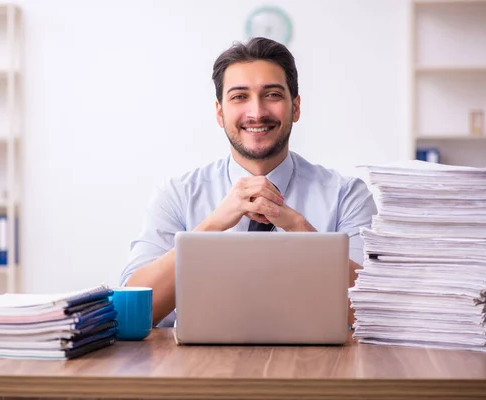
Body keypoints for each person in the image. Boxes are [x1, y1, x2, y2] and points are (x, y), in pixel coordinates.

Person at [120, 37, 377, 328]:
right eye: (240, 97)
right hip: (196, 369)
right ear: (220, 113)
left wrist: (299, 229)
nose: (256, 112)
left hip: (316, 367)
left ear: (296, 107)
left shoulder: (347, 195)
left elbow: (373, 311)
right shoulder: (178, 195)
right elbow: (132, 313)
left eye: (272, 95)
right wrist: (210, 227)